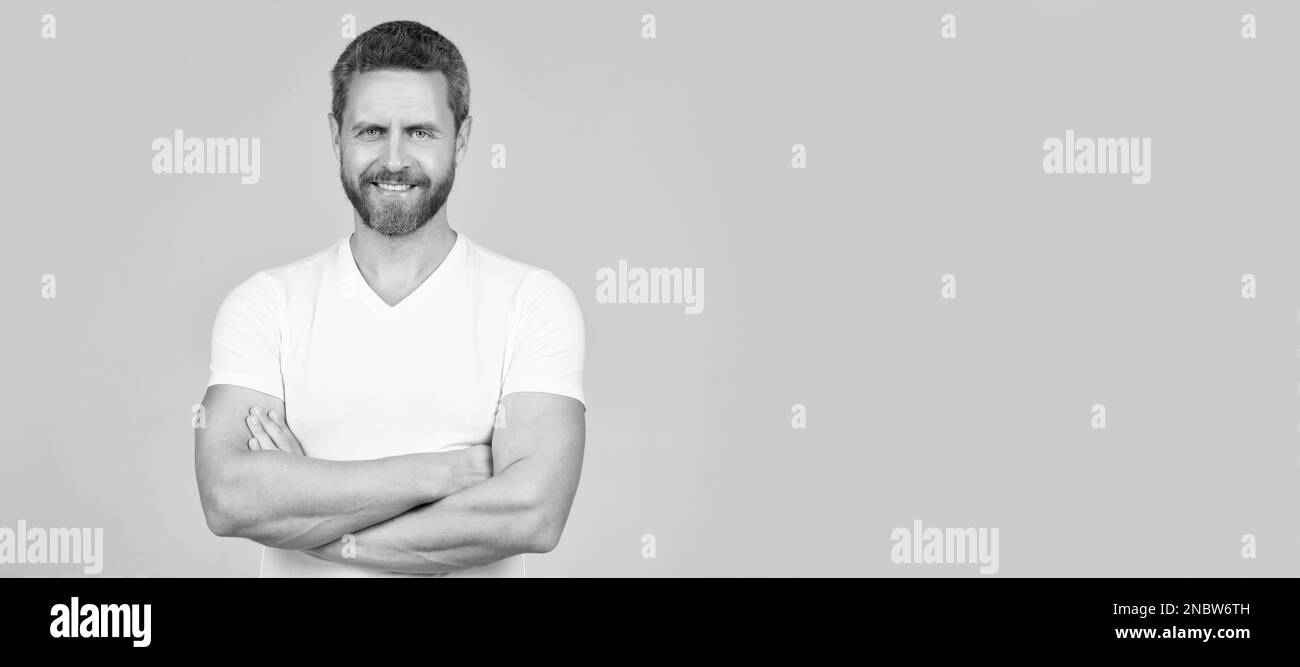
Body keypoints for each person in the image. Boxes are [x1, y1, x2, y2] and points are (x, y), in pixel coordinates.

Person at [194, 20, 586, 577]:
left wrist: (307, 515)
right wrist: (440, 474)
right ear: (336, 137)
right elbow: (229, 497)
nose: (395, 159)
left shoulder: (532, 302)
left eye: (421, 132)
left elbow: (532, 515)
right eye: (372, 130)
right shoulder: (265, 304)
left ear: (464, 138)